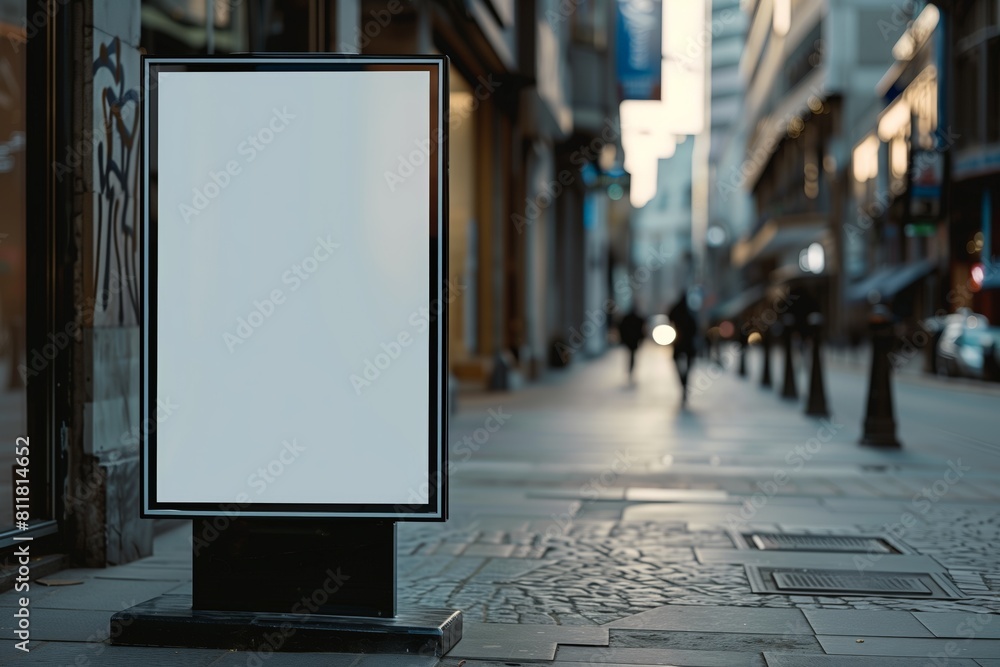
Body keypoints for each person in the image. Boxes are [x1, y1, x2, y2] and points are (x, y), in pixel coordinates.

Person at [668, 292, 698, 405]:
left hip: (679, 343)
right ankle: (684, 382)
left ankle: (683, 382)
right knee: (687, 366)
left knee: (678, 363)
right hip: (686, 344)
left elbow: (669, 319)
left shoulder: (677, 310)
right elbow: (695, 328)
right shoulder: (689, 312)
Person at [618, 305, 646, 382]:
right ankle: (631, 369)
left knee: (631, 356)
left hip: (630, 340)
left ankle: (630, 369)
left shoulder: (627, 319)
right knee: (632, 356)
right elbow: (642, 331)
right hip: (633, 341)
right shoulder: (638, 319)